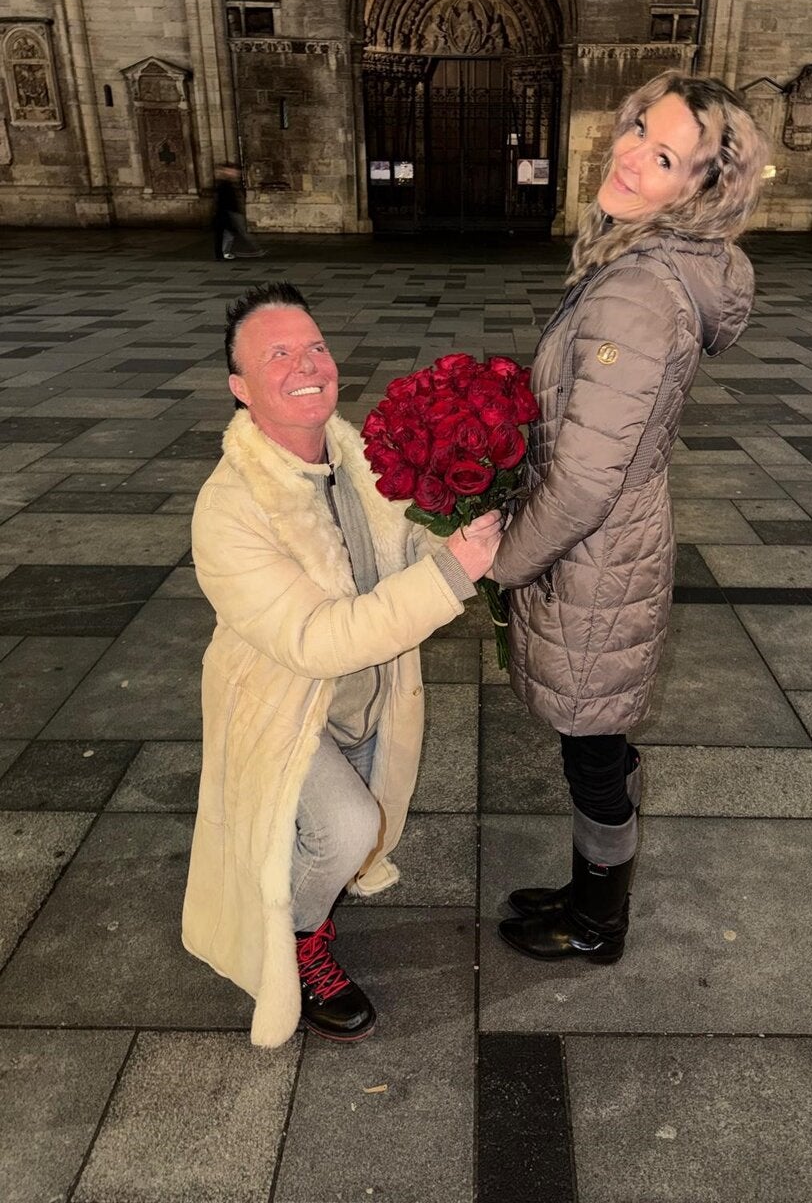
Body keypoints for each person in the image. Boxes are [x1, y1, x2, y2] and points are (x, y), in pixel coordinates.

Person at [489, 71, 767, 965]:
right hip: (619, 546)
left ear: (697, 189)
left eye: (664, 156)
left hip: (596, 558)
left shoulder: (637, 295)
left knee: (593, 748)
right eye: (638, 130)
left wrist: (502, 563)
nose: (631, 157)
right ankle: (588, 891)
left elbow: (581, 481)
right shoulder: (654, 267)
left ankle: (599, 922)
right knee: (596, 737)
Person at [182, 281, 502, 1047]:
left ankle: (305, 900)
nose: (307, 364)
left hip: (367, 693)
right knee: (348, 825)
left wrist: (479, 516)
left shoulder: (360, 458)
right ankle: (296, 943)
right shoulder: (228, 509)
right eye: (278, 354)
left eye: (315, 346)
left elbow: (412, 544)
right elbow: (316, 640)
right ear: (241, 388)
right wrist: (452, 574)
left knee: (326, 833)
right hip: (283, 706)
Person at [213, 162, 265, 260]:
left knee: (231, 234)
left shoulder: (228, 183)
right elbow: (223, 201)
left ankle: (225, 253)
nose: (235, 173)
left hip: (231, 212)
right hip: (229, 213)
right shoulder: (224, 184)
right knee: (232, 233)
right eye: (231, 171)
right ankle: (225, 253)